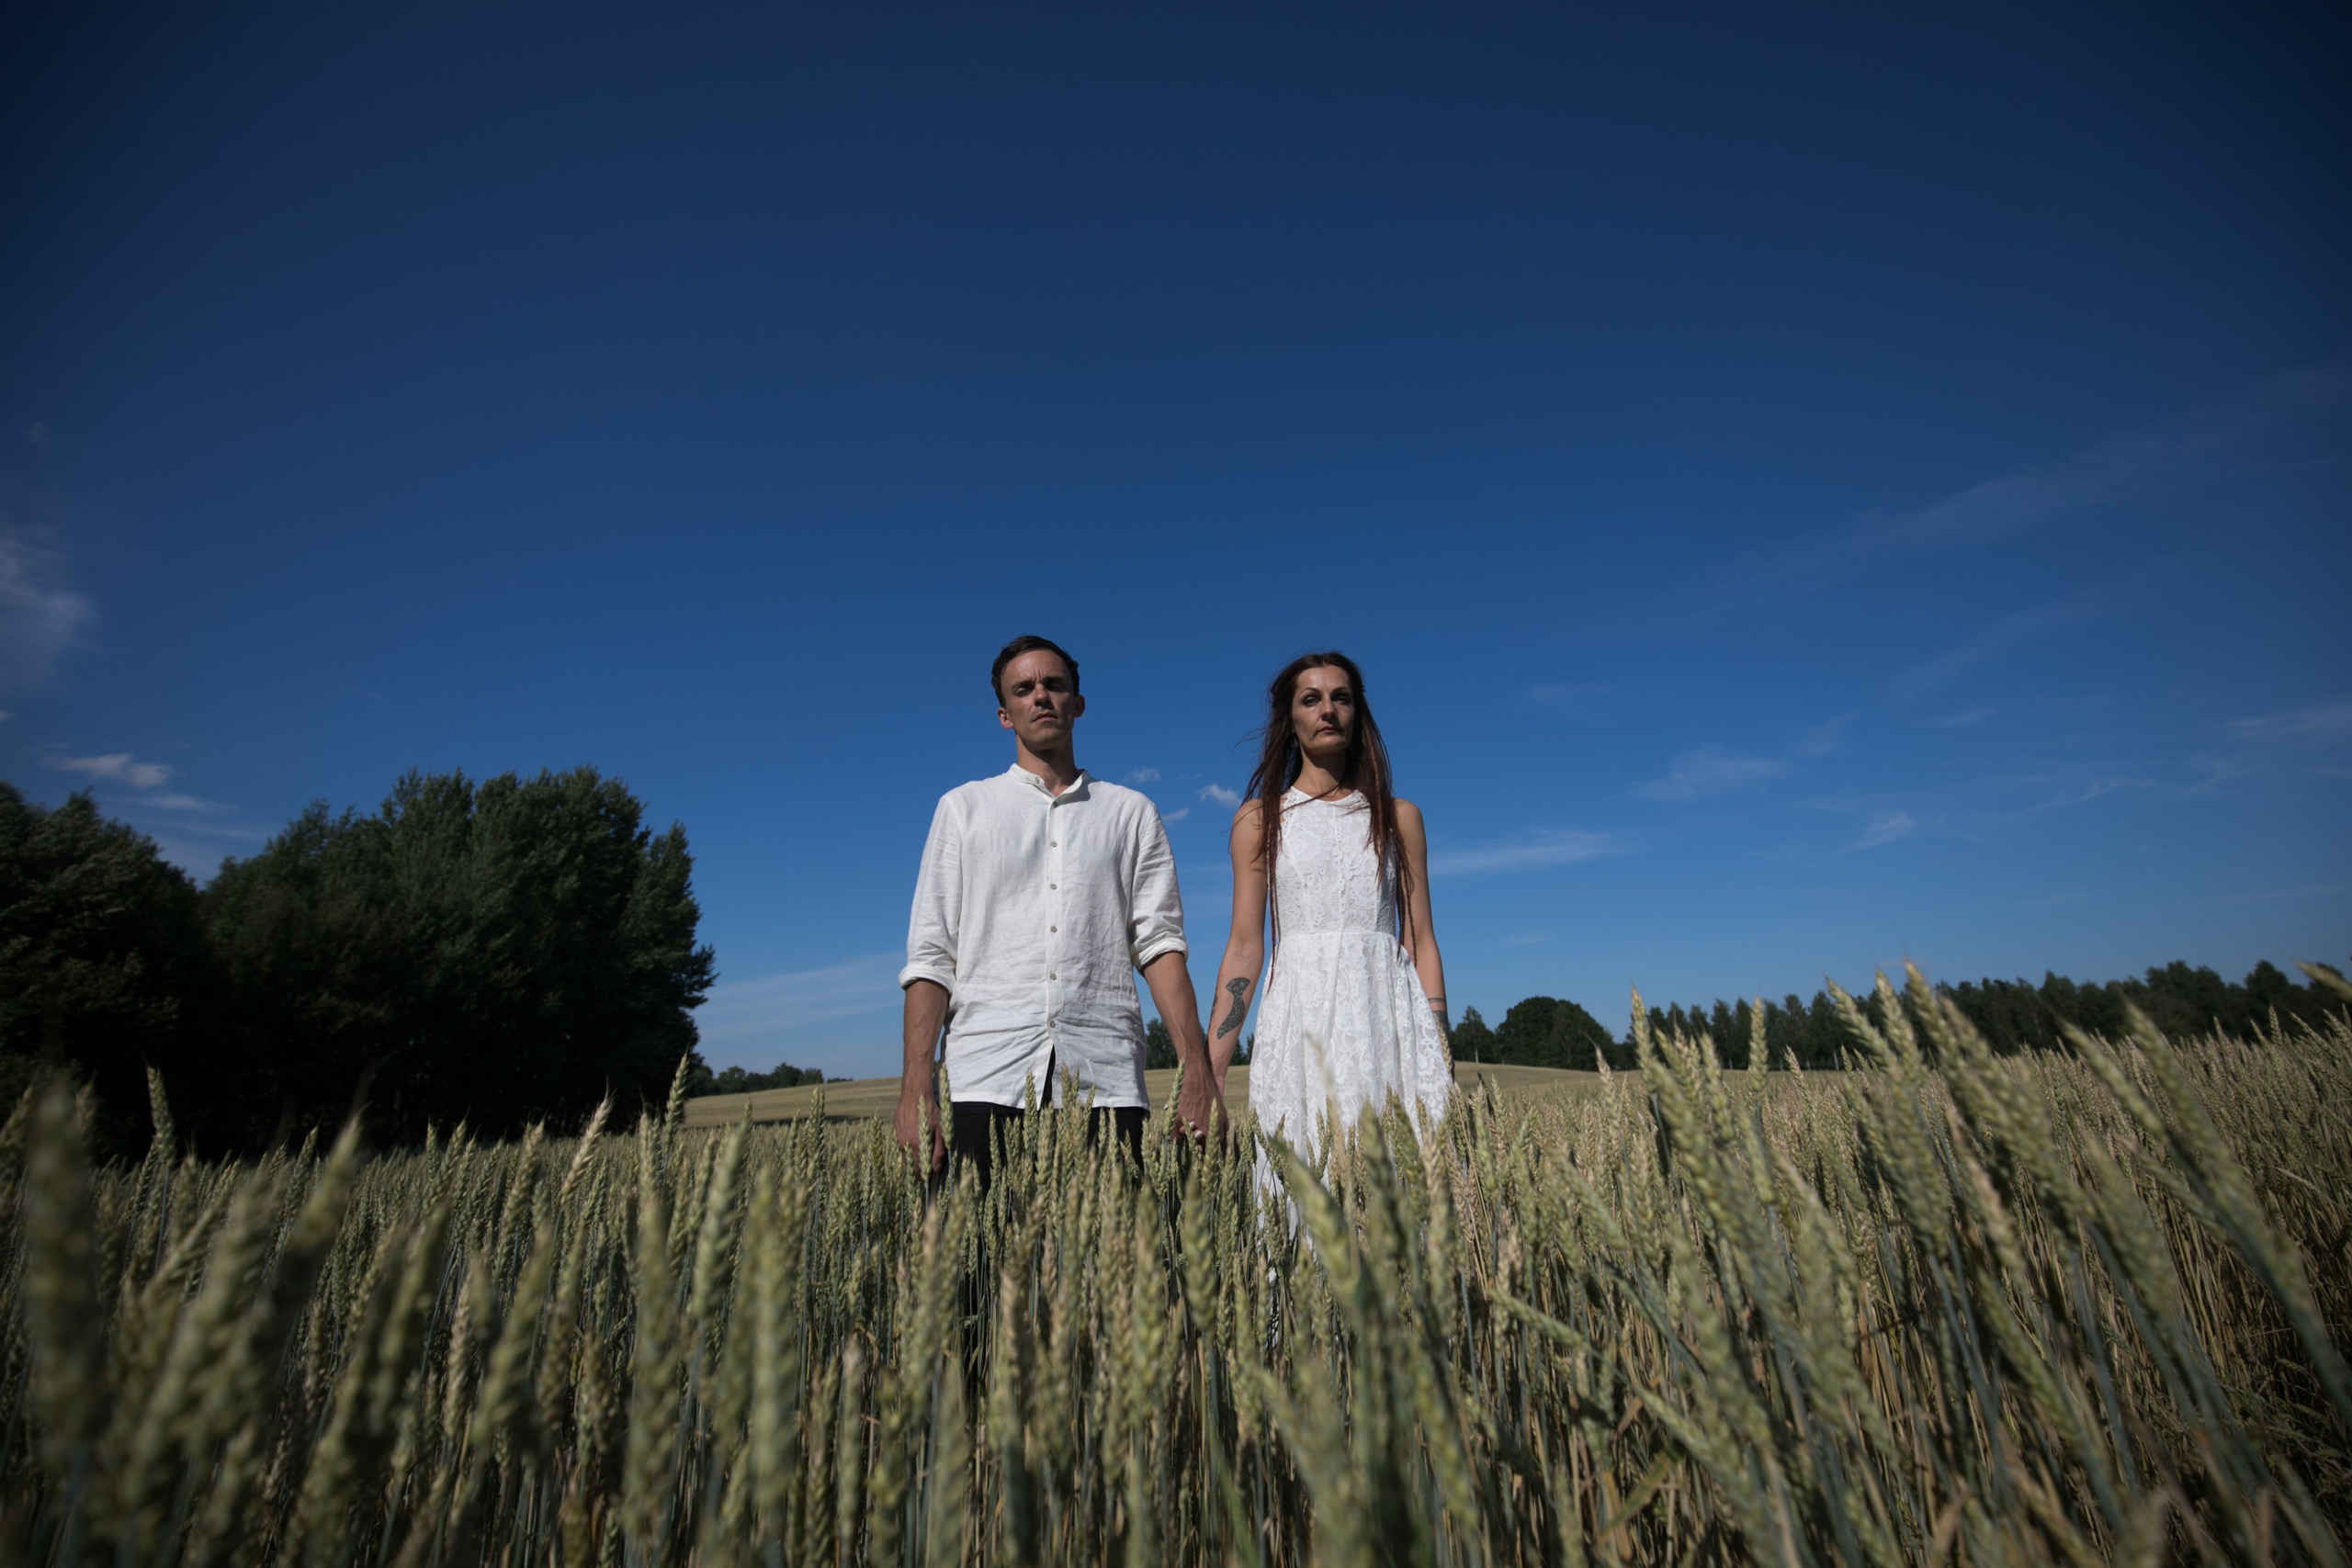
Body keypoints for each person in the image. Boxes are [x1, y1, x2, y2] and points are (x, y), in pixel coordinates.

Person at [894, 634, 1225, 1185]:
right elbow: (932, 955)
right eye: (1024, 689)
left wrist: (1198, 1071)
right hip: (985, 1075)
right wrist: (915, 1087)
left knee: (1112, 1269)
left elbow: (1160, 945)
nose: (1041, 696)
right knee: (978, 1269)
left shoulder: (1131, 813)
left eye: (1054, 685)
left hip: (1105, 1076)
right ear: (1005, 715)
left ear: (1078, 702)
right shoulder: (962, 810)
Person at [1205, 651, 1453, 1163]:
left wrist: (1439, 1050)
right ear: (1289, 718)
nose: (1328, 710)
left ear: (1357, 713)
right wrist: (1210, 1073)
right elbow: (1246, 946)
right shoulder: (1259, 819)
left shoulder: (1398, 817)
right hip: (1299, 1023)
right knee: (1303, 1185)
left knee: (1405, 1189)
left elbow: (1420, 940)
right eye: (1311, 699)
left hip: (1390, 1022)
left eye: (1341, 698)